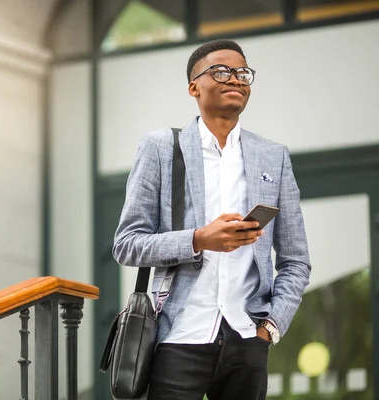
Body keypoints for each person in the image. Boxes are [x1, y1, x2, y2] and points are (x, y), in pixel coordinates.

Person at [112, 39, 312, 400]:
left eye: (243, 73)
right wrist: (199, 239)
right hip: (178, 335)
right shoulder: (160, 148)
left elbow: (295, 259)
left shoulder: (274, 156)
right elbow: (127, 244)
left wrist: (270, 326)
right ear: (194, 87)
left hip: (247, 338)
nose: (235, 79)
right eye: (221, 71)